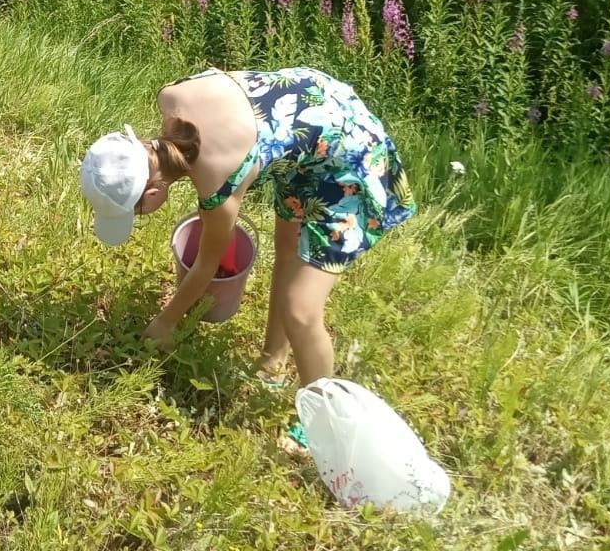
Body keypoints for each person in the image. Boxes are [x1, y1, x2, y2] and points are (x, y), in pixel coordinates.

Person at [80, 67, 415, 391]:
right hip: (312, 113)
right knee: (287, 250)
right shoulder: (171, 96)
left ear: (152, 193)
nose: (139, 219)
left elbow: (204, 269)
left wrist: (164, 324)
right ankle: (273, 363)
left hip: (350, 160)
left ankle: (319, 428)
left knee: (300, 310)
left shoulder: (217, 188)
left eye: (135, 213)